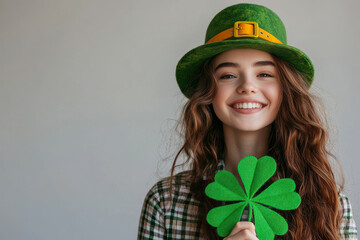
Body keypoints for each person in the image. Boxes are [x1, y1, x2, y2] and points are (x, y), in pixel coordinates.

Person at [138, 3, 358, 240]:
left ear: (285, 89)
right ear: (208, 92)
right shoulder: (166, 202)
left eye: (264, 74)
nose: (247, 87)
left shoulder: (329, 203)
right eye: (228, 75)